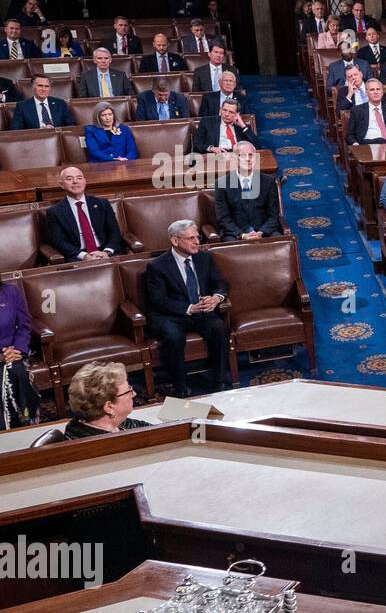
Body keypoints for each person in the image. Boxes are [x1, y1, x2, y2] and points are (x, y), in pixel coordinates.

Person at [144, 220, 230, 397]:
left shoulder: (204, 258)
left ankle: (220, 381)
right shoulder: (157, 266)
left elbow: (220, 282)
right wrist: (189, 308)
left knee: (219, 327)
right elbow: (158, 300)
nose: (197, 242)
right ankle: (181, 387)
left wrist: (216, 298)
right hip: (173, 314)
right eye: (191, 238)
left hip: (202, 312)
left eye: (197, 237)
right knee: (173, 337)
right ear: (175, 241)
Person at [43, 166, 125, 260]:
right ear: (61, 184)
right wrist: (84, 256)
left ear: (85, 181)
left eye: (79, 178)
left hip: (106, 252)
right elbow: (59, 242)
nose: (75, 181)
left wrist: (107, 252)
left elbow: (114, 232)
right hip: (78, 256)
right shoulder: (55, 212)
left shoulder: (102, 204)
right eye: (69, 179)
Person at [61, 363, 151, 438]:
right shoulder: (94, 446)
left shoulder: (118, 422)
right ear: (109, 407)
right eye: (128, 391)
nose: (134, 394)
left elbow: (151, 430)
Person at [214, 141, 282, 241]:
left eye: (251, 155)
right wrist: (242, 235)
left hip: (264, 231)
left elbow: (274, 216)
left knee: (280, 242)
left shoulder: (268, 182)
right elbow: (223, 219)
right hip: (235, 233)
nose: (248, 159)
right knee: (231, 246)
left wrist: (260, 233)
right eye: (243, 156)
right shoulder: (222, 183)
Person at [0, 279, 39, 429]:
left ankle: (26, 424)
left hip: (13, 352)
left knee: (17, 371)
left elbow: (24, 325)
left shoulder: (10, 291)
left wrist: (17, 349)